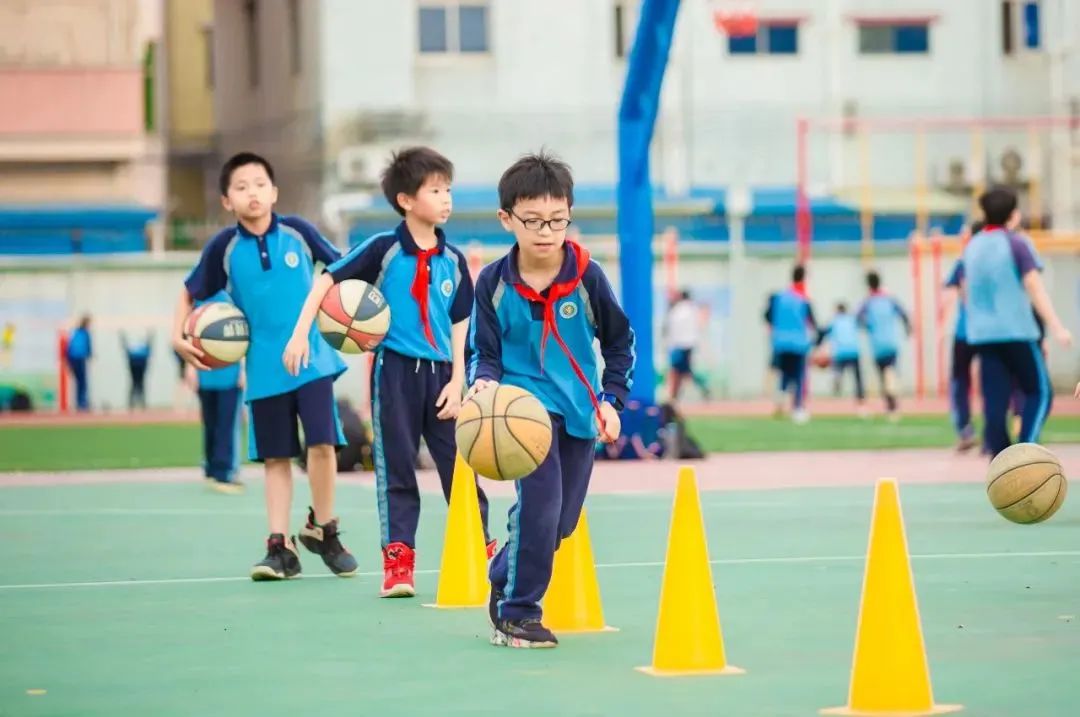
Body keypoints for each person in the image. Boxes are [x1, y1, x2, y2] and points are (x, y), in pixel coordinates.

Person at [286, 146, 492, 599]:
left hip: (443, 378)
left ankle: (481, 546)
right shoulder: (382, 250)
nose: (446, 199)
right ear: (405, 200)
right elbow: (327, 279)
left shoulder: (453, 260)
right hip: (394, 373)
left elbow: (461, 324)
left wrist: (459, 379)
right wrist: (301, 333)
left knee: (460, 468)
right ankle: (399, 562)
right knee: (396, 468)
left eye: (448, 190)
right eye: (435, 190)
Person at [467, 151, 634, 648]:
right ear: (507, 219)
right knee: (539, 512)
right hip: (522, 414)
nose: (546, 231)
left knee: (559, 525)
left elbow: (619, 343)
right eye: (534, 221)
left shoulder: (588, 278)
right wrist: (484, 383)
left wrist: (612, 401)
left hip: (581, 412)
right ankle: (517, 613)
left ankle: (504, 570)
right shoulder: (493, 282)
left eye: (557, 220)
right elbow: (486, 351)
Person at [172, 151, 358, 581]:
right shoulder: (224, 248)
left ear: (273, 192)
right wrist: (176, 335)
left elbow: (340, 269)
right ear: (226, 201)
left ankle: (323, 528)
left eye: (259, 184)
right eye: (241, 187)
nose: (252, 193)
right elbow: (188, 291)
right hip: (263, 369)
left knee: (323, 445)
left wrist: (326, 323)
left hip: (311, 358)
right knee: (276, 457)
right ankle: (279, 546)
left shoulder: (298, 232)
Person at [958, 186, 1072, 458]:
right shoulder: (1016, 242)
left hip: (983, 334)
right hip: (1017, 330)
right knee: (1039, 392)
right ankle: (1026, 451)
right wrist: (1056, 327)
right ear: (1014, 214)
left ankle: (1001, 459)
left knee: (994, 401)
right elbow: (1033, 284)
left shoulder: (971, 247)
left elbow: (964, 288)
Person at [186, 292, 246, 494]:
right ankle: (211, 469)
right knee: (210, 424)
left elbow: (246, 333)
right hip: (205, 374)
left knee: (227, 425)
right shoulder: (200, 295)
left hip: (230, 374)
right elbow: (189, 335)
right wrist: (190, 367)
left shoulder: (234, 294)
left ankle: (226, 472)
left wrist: (244, 369)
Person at [763, 265, 820, 424]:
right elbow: (814, 323)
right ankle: (797, 408)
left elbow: (767, 316)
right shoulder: (803, 300)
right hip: (799, 343)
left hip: (780, 342)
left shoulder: (779, 297)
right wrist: (818, 342)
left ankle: (780, 401)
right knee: (799, 376)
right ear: (804, 278)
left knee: (785, 375)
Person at [944, 221, 982, 452]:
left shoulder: (964, 262)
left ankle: (965, 429)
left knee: (960, 382)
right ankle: (994, 436)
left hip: (966, 332)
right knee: (994, 382)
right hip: (989, 332)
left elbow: (961, 291)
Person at [856, 272, 911, 420]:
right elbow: (904, 314)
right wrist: (908, 329)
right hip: (891, 343)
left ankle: (890, 407)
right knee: (890, 374)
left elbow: (858, 319)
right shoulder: (890, 299)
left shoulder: (867, 302)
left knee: (883, 377)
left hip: (877, 345)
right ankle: (893, 406)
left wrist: (868, 326)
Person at [664, 289, 711, 402]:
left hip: (678, 346)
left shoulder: (676, 311)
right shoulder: (692, 309)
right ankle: (677, 394)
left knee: (679, 371)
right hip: (689, 345)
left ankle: (675, 395)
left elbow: (670, 329)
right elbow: (698, 326)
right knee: (683, 371)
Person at [822, 302, 865, 413]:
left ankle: (836, 384)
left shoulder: (834, 321)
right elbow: (863, 324)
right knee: (857, 378)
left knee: (838, 373)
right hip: (853, 351)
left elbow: (823, 333)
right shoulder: (852, 319)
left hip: (840, 353)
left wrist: (817, 346)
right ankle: (860, 399)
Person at [66, 315, 93, 412]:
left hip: (73, 359)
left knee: (79, 382)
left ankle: (80, 403)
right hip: (79, 359)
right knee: (82, 382)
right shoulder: (85, 333)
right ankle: (82, 403)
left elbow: (69, 347)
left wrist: (68, 361)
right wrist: (90, 355)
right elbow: (88, 347)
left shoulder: (75, 332)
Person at [121, 330, 153, 410]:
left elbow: (149, 346)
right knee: (136, 385)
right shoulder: (137, 350)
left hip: (139, 367)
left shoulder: (143, 350)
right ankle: (132, 404)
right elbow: (126, 350)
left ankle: (140, 404)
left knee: (139, 385)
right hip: (135, 367)